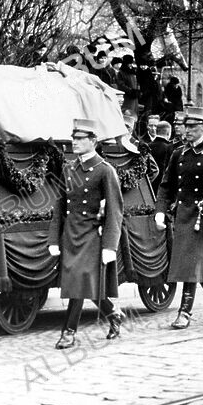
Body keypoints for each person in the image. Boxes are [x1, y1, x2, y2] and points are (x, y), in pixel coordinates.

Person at [48, 118, 124, 348]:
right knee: (84, 283)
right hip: (71, 235)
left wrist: (110, 245)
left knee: (79, 282)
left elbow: (115, 210)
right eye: (73, 138)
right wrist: (54, 239)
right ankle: (113, 314)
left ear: (93, 141)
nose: (75, 143)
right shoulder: (69, 169)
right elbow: (59, 207)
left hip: (93, 234)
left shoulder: (105, 171)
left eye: (80, 139)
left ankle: (68, 331)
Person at [155, 106, 203, 329]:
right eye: (184, 126)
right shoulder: (179, 154)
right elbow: (166, 185)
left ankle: (184, 312)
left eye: (192, 127)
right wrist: (161, 209)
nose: (186, 130)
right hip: (183, 215)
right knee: (194, 262)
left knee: (192, 263)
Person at [149, 121, 174, 192]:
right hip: (162, 187)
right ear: (168, 133)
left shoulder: (147, 146)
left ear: (156, 131)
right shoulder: (169, 148)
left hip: (148, 186)